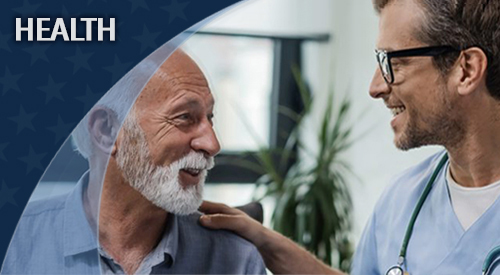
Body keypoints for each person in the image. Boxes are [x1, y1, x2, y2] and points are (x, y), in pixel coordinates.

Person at [198, 0, 500, 274]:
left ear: (466, 70)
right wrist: (264, 242)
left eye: (394, 63)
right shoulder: (402, 201)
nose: (375, 87)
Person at [1, 49, 266, 275]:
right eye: (185, 117)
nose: (213, 144)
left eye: (210, 117)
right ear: (106, 131)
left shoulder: (237, 261)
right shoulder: (14, 245)